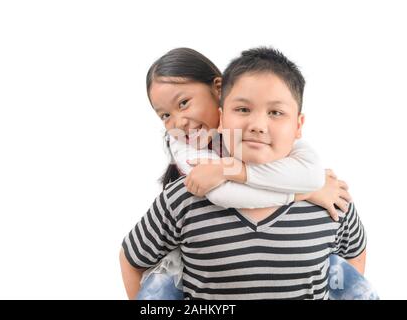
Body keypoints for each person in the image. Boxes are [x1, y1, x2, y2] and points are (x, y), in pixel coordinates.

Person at [120, 47, 376, 299]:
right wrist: (303, 192)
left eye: (184, 103)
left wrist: (310, 185)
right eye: (165, 115)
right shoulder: (191, 179)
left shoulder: (323, 188)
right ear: (223, 114)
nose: (178, 122)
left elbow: (354, 257)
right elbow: (226, 196)